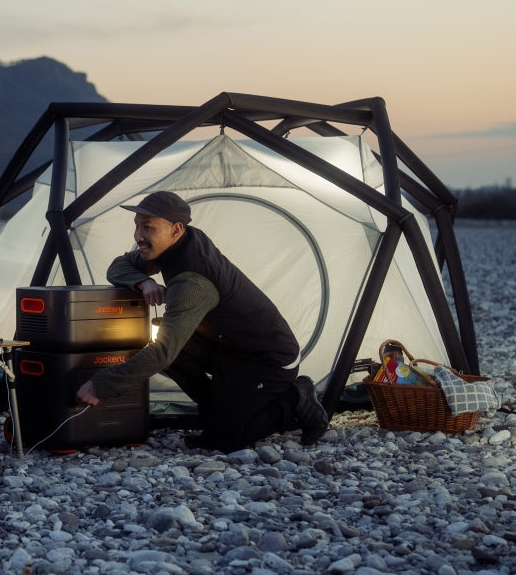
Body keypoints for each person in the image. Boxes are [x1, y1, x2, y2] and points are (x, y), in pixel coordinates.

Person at [75, 191, 329, 452]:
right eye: (137, 225)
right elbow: (118, 266)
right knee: (174, 343)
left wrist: (100, 384)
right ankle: (216, 415)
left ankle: (294, 399)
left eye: (147, 228)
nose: (138, 235)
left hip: (268, 361)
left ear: (175, 229)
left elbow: (162, 353)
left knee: (223, 440)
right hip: (231, 347)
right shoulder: (177, 243)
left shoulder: (193, 281)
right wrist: (144, 281)